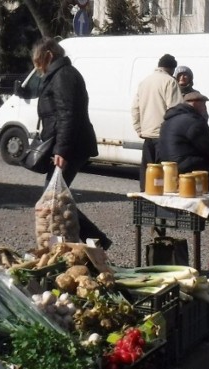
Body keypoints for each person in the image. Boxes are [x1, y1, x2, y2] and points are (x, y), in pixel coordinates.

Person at [31, 37, 112, 250]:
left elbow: (68, 114)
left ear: (49, 55)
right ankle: (81, 242)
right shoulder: (60, 74)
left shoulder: (63, 76)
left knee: (53, 199)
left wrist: (62, 150)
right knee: (55, 198)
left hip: (70, 146)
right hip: (69, 143)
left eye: (39, 61)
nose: (37, 66)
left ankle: (95, 241)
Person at [132, 54, 183, 191]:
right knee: (164, 173)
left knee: (148, 171)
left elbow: (135, 108)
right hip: (163, 136)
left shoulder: (144, 82)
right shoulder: (170, 82)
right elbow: (175, 110)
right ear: (172, 68)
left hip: (147, 135)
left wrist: (139, 129)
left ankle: (145, 197)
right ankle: (162, 204)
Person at [158, 91, 209, 191]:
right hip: (186, 168)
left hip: (169, 167)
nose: (205, 109)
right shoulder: (193, 121)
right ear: (195, 104)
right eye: (204, 105)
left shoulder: (169, 120)